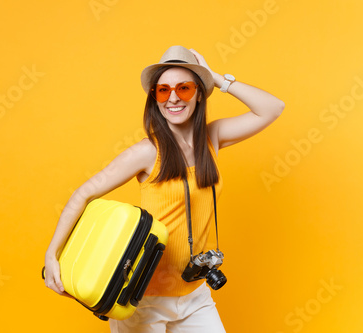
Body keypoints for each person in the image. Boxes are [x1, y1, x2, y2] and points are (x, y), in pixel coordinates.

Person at [44, 45, 285, 332]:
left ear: (198, 93)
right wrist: (52, 254)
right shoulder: (147, 152)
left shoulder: (213, 138)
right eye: (163, 90)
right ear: (154, 98)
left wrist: (217, 79)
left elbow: (272, 108)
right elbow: (84, 193)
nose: (173, 98)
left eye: (183, 88)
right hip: (143, 297)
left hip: (194, 293)